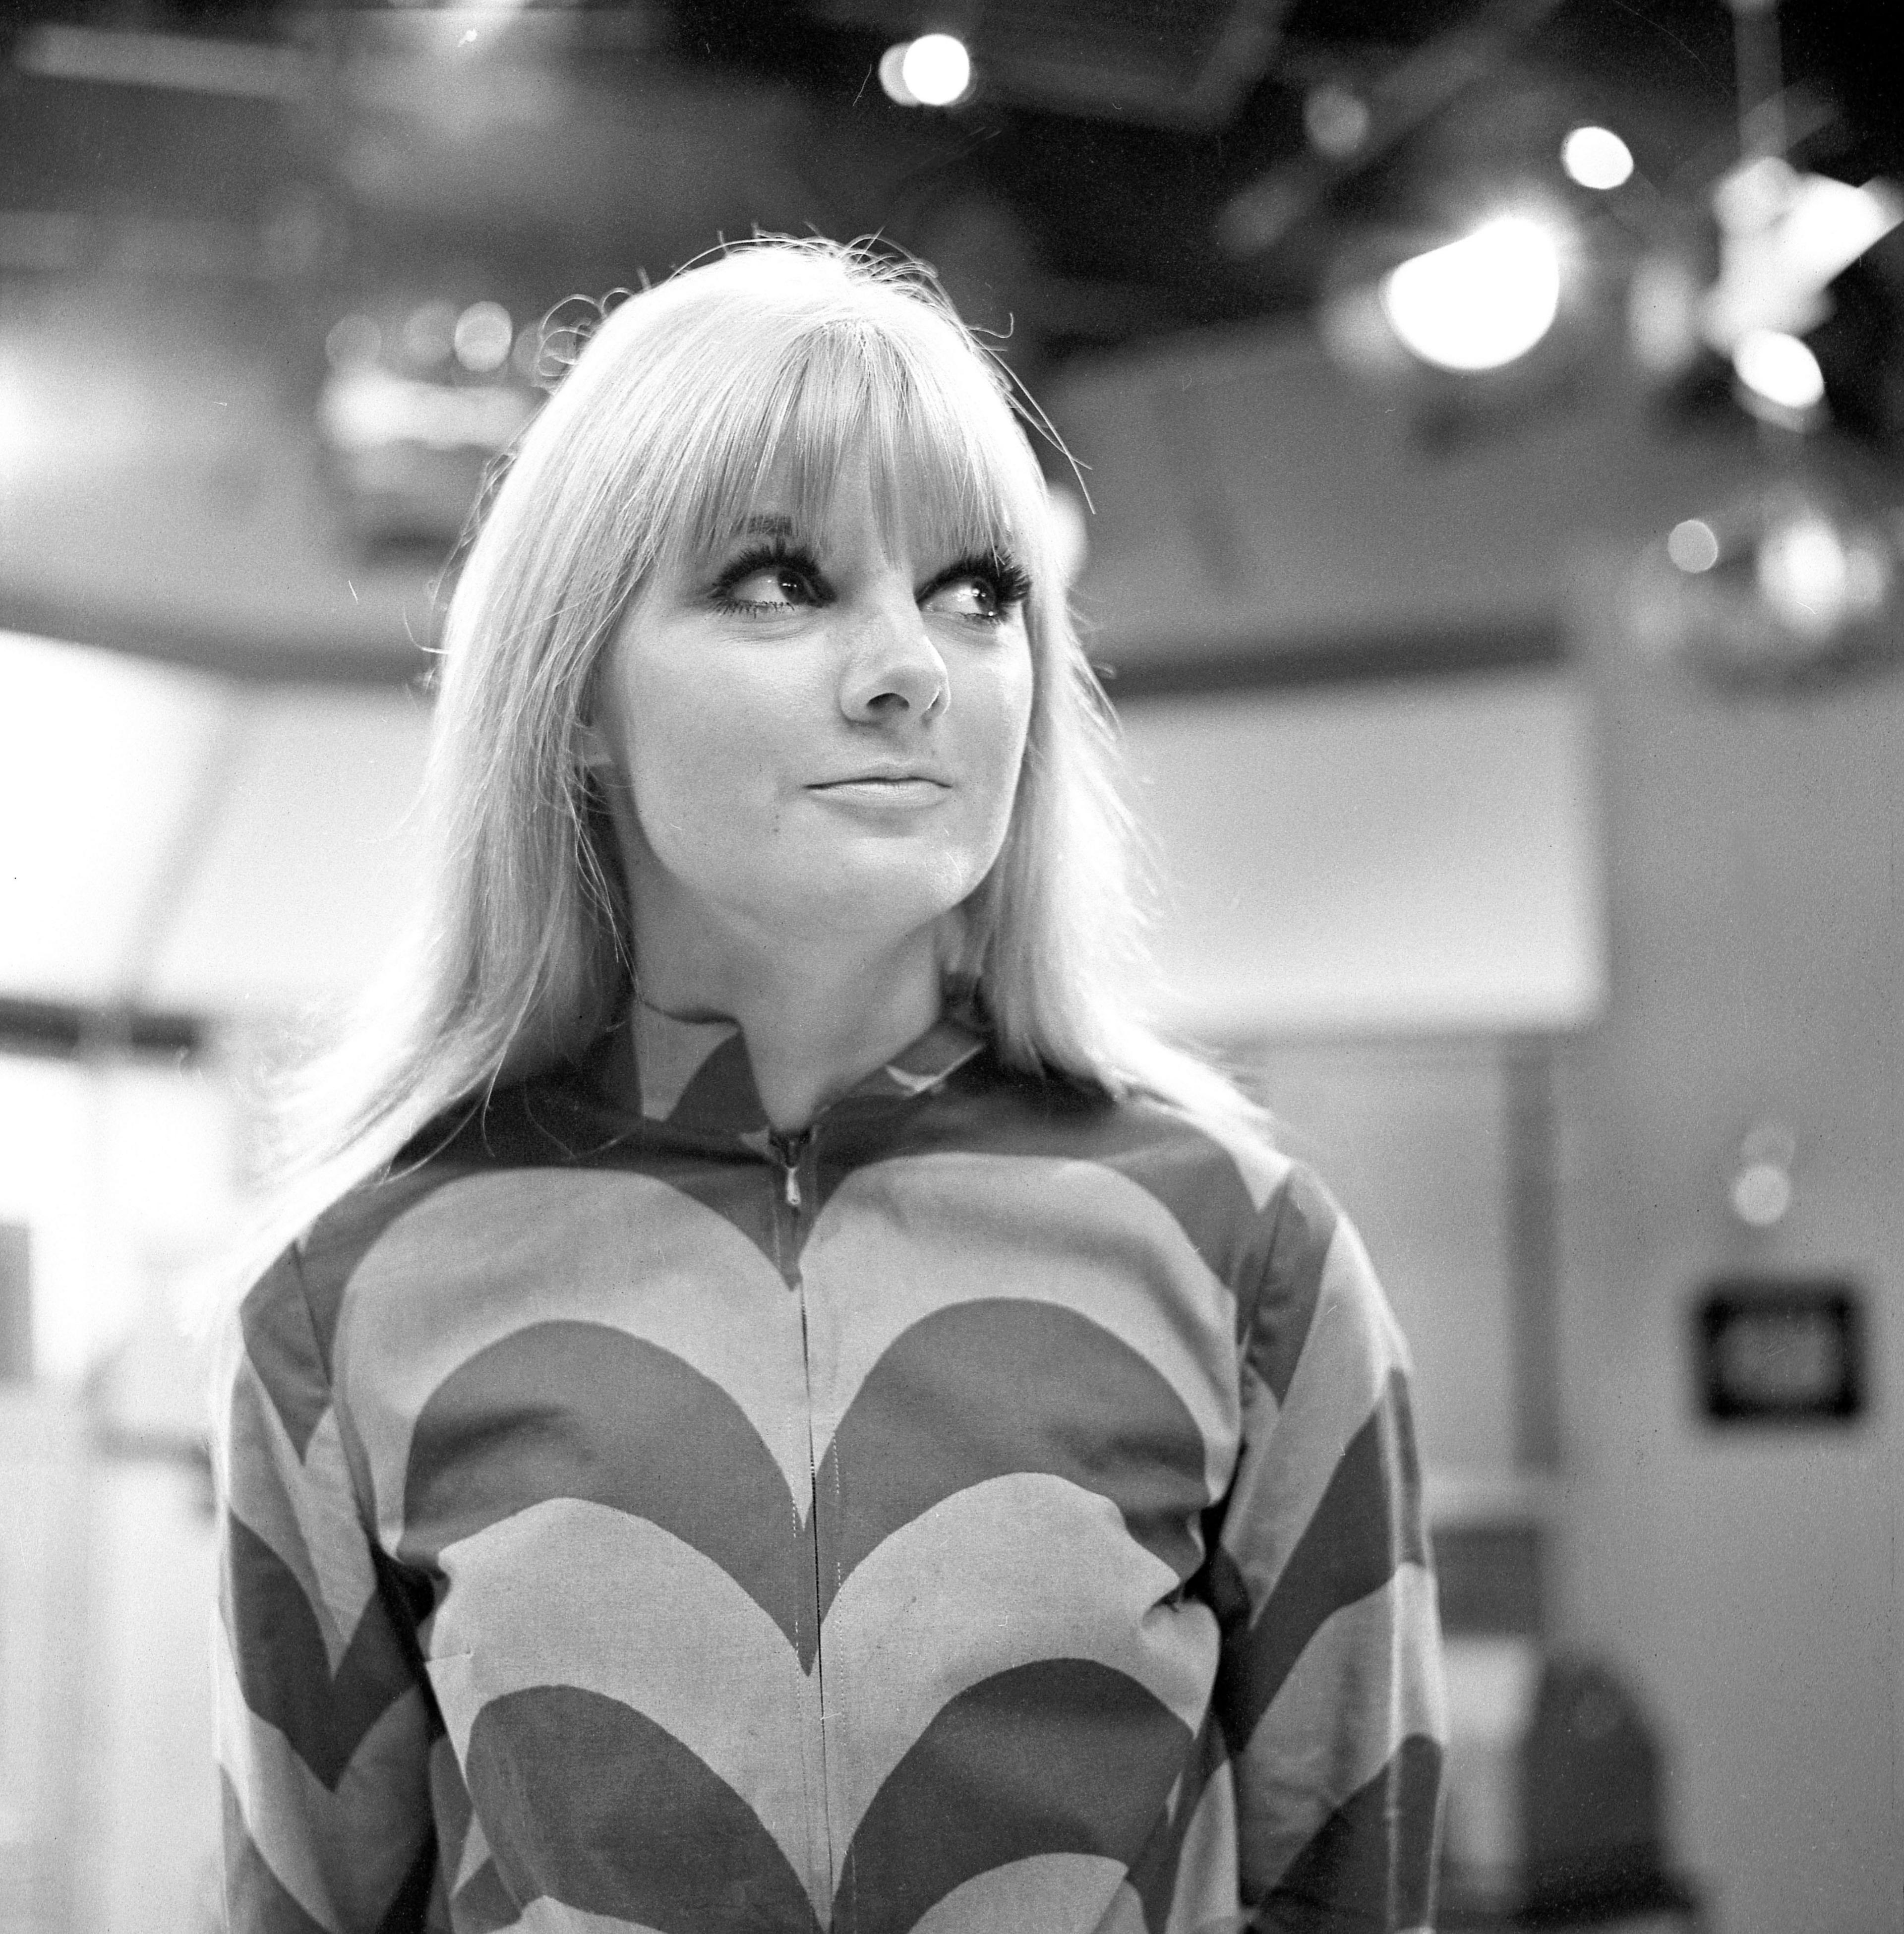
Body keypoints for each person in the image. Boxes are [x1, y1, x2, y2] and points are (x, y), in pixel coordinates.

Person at [214, 238, 1445, 1934]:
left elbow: (1357, 1892)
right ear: (572, 691)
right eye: (780, 582)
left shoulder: (1251, 1262)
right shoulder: (349, 1299)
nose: (914, 668)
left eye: (977, 590)